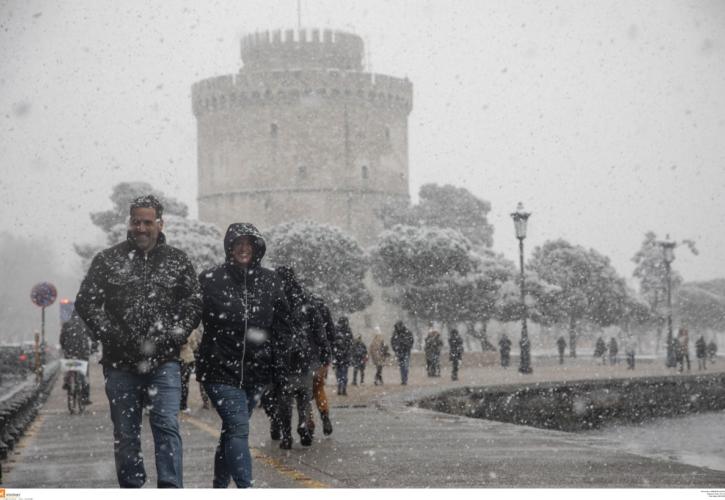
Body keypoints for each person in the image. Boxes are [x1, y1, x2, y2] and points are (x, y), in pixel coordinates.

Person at [75, 195, 203, 488]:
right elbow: (87, 302)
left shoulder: (177, 260)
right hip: (120, 364)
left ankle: (170, 488)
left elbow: (193, 303)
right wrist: (112, 334)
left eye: (147, 222)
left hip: (165, 362)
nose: (141, 228)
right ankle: (132, 488)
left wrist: (175, 333)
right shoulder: (108, 260)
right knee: (125, 433)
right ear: (129, 223)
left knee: (167, 426)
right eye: (136, 221)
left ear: (160, 223)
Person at [195, 223, 292, 487]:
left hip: (256, 373)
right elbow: (191, 315)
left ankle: (219, 486)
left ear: (257, 247)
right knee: (238, 427)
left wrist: (280, 366)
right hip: (219, 370)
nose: (243, 248)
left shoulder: (271, 281)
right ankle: (245, 487)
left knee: (231, 431)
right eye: (238, 243)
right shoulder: (210, 279)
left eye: (249, 243)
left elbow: (282, 328)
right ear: (229, 246)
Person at [272, 266, 328, 449]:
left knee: (284, 398)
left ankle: (286, 435)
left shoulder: (274, 299)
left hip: (283, 356)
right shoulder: (306, 299)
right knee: (304, 395)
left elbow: (265, 327)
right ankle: (303, 424)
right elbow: (319, 328)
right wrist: (324, 351)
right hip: (304, 355)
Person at [307, 295, 335, 436]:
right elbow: (330, 333)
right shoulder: (322, 307)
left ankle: (308, 423)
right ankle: (325, 416)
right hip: (318, 356)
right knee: (319, 388)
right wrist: (327, 356)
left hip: (302, 356)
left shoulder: (297, 304)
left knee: (304, 392)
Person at [59, 310, 93, 405]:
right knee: (84, 374)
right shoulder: (85, 325)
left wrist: (64, 348)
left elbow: (62, 339)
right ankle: (85, 396)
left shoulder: (67, 324)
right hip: (83, 353)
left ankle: (67, 382)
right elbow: (93, 337)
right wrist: (93, 348)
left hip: (70, 353)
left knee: (69, 368)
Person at [179, 329, 202, 413]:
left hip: (174, 359)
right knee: (184, 383)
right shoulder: (189, 328)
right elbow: (194, 345)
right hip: (187, 358)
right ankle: (183, 405)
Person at [333, 316, 353, 395]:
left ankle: (340, 387)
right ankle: (343, 388)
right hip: (344, 356)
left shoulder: (336, 330)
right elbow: (351, 343)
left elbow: (333, 343)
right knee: (344, 373)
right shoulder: (348, 330)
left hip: (338, 356)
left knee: (339, 373)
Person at [391, 320, 414, 385]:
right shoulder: (396, 333)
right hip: (400, 351)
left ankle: (405, 379)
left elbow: (411, 340)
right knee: (402, 366)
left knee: (405, 366)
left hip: (405, 351)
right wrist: (395, 348)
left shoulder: (407, 333)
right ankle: (403, 379)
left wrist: (407, 346)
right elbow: (392, 342)